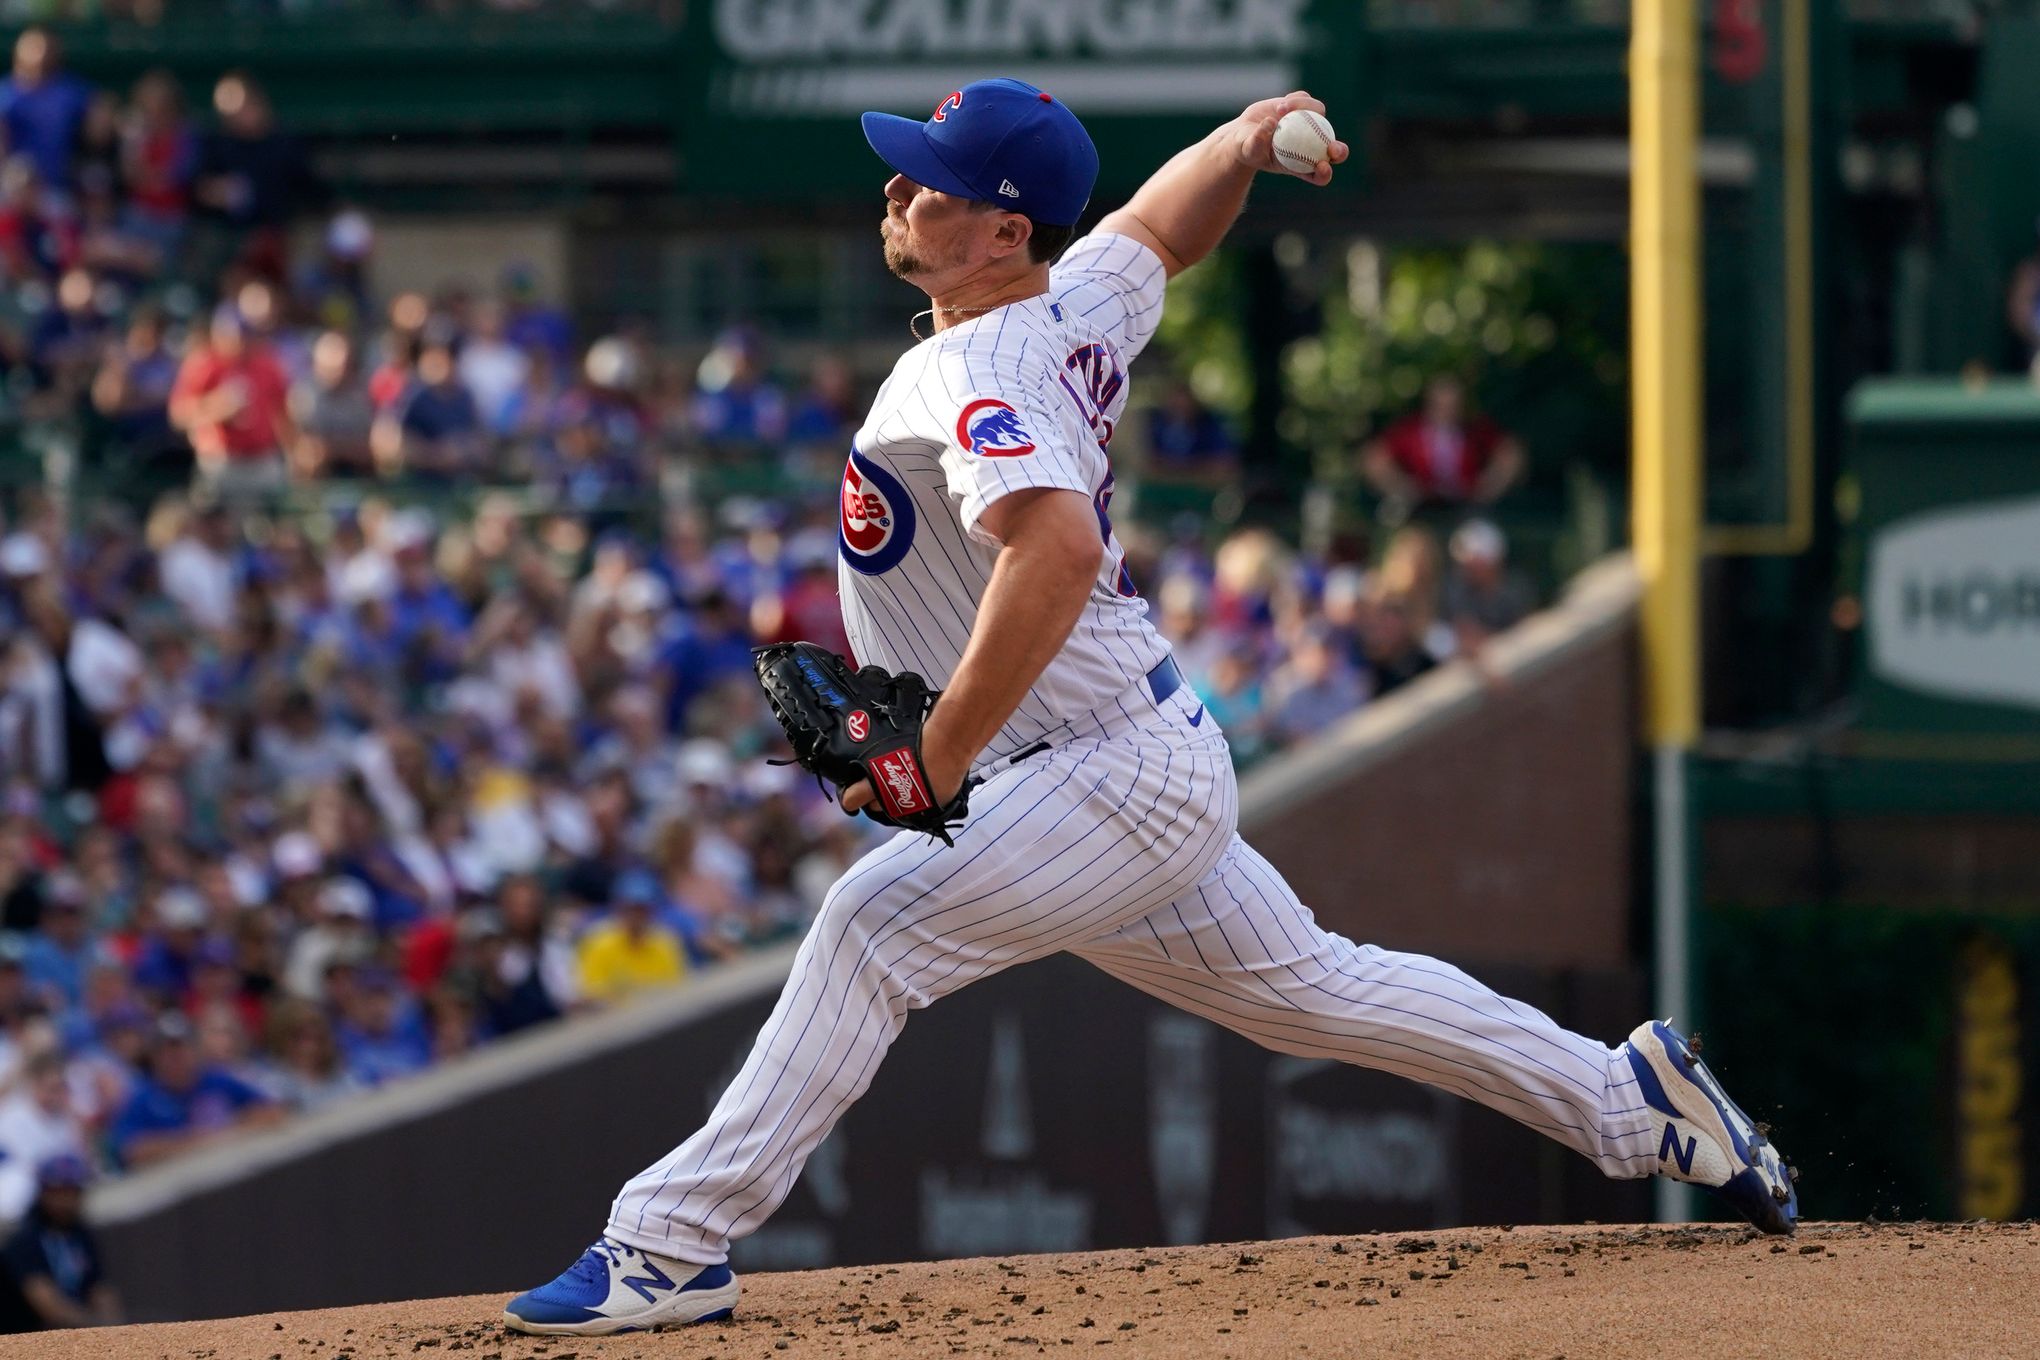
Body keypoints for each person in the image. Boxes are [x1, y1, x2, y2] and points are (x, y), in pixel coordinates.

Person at [499, 81, 1794, 1336]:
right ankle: (1630, 1101)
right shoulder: (1066, 297)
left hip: (1101, 771)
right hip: (1117, 761)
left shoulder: (979, 363)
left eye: (931, 182)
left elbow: (1052, 550)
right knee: (1322, 992)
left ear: (1005, 227)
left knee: (870, 928)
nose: (896, 188)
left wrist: (936, 758)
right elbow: (1156, 231)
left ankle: (667, 1247)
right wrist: (1239, 142)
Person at [1361, 374, 1525, 509]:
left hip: (1466, 505)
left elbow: (1511, 453)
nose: (1448, 410)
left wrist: (1490, 487)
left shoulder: (1475, 429)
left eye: (1454, 405)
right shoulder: (1410, 430)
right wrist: (1402, 487)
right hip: (1420, 507)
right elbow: (1374, 458)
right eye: (1441, 405)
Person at [0, 1155, 119, 1332]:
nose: (66, 1200)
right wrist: (96, 1328)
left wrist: (115, 1329)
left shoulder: (81, 1235)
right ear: (43, 1192)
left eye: (73, 1191)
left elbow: (100, 1289)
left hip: (79, 1334)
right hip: (27, 1338)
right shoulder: (24, 1240)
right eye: (59, 1192)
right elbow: (48, 1305)